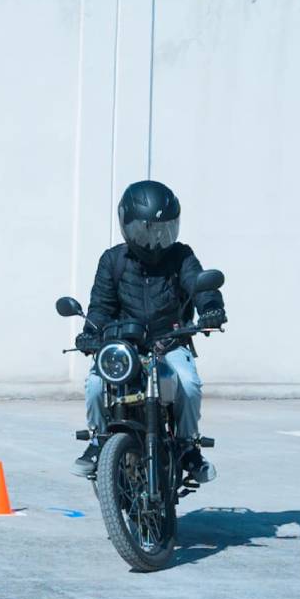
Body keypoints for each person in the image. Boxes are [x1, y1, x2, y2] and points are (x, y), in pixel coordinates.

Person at [71, 180, 227, 482]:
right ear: (128, 227)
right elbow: (101, 307)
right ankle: (98, 440)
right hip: (124, 345)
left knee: (189, 383)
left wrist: (211, 308)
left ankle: (187, 446)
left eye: (164, 229)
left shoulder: (181, 256)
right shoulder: (113, 260)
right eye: (147, 230)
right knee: (92, 385)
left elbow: (198, 284)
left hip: (168, 342)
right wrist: (90, 332)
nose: (156, 239)